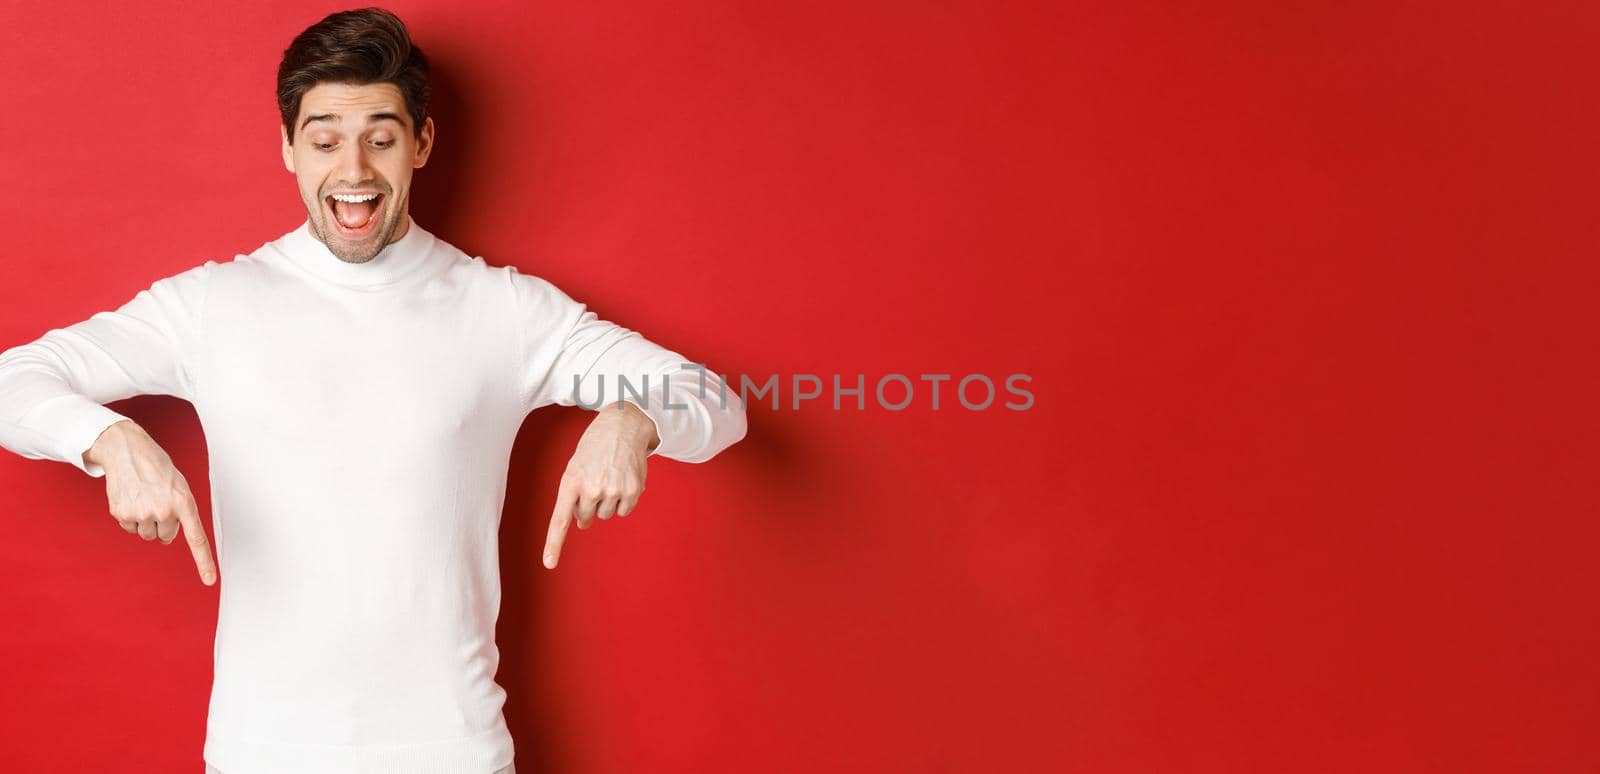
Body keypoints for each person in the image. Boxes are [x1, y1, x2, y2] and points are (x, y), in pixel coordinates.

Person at [0, 8, 746, 773]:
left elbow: (719, 404)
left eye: (380, 139)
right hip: (260, 754)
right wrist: (106, 440)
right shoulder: (210, 306)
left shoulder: (504, 310)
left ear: (420, 144)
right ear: (288, 147)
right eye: (325, 140)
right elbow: (12, 381)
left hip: (454, 751)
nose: (353, 170)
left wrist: (631, 418)